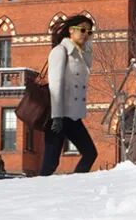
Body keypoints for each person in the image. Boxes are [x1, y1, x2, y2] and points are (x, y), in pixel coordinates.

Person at [40, 15, 98, 176]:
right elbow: (55, 84)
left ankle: (75, 187)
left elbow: (88, 63)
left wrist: (88, 46)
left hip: (72, 116)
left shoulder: (80, 54)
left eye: (89, 32)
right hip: (57, 116)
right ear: (71, 30)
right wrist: (57, 117)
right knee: (51, 162)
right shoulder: (60, 51)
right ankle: (36, 193)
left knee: (90, 153)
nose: (86, 34)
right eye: (83, 30)